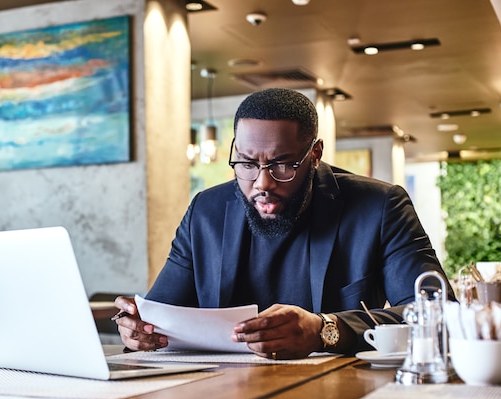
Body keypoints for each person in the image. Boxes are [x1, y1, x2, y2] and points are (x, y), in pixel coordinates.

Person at [114, 88, 454, 359]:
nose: (262, 182)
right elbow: (160, 314)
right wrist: (138, 330)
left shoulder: (380, 206)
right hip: (219, 395)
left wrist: (324, 329)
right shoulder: (206, 211)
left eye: (282, 164)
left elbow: (440, 316)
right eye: (246, 163)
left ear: (315, 154)